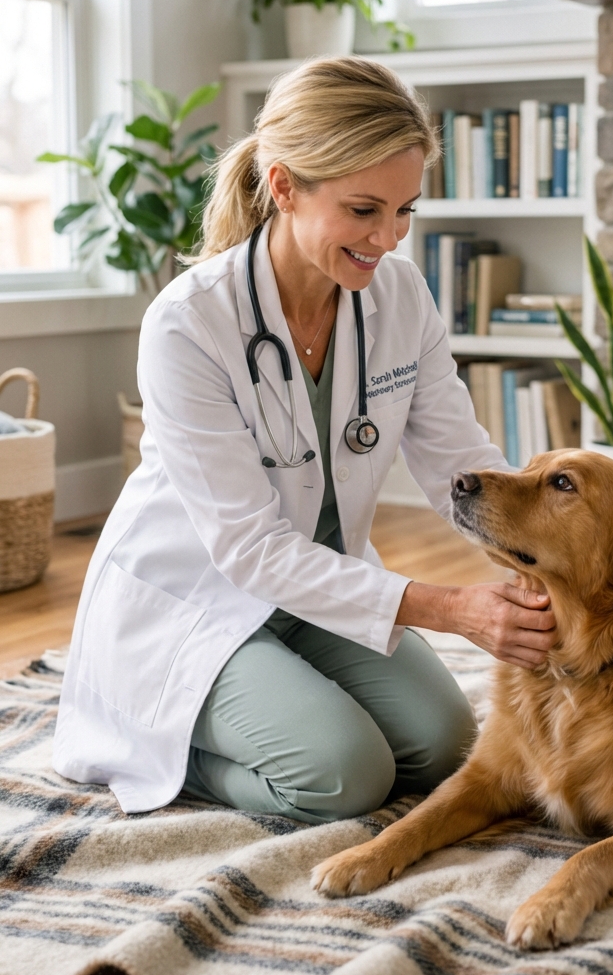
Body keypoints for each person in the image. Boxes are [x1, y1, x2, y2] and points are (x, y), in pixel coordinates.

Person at [53, 58, 556, 819]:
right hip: (197, 599)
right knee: (345, 776)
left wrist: (556, 551)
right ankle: (162, 739)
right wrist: (453, 609)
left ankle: (280, 693)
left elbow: (461, 463)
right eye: (363, 211)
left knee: (444, 745)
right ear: (284, 187)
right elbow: (249, 550)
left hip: (321, 587)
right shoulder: (188, 325)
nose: (388, 238)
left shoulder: (399, 296)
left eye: (404, 210)